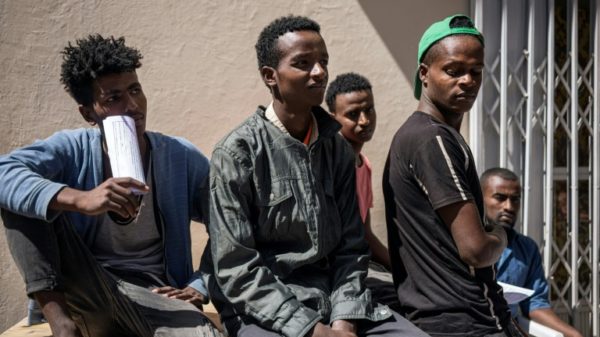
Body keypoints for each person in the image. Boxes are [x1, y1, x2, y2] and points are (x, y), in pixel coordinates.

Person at [204, 15, 429, 337]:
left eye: (323, 61)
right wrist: (313, 330)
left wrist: (344, 320)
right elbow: (236, 268)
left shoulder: (335, 148)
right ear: (270, 76)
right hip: (265, 309)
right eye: (303, 63)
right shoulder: (237, 153)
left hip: (334, 300)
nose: (320, 72)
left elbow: (351, 247)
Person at [0, 35, 221, 337]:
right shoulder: (72, 148)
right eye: (113, 98)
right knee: (21, 196)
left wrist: (199, 284)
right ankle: (62, 326)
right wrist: (79, 199)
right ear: (88, 113)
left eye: (135, 90)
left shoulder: (179, 156)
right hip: (86, 288)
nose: (132, 106)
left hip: (155, 292)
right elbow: (4, 172)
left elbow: (229, 225)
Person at [382, 14, 522, 336]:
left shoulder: (429, 135)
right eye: (453, 70)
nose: (467, 80)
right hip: (465, 321)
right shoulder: (432, 139)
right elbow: (475, 249)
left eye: (475, 71)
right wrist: (501, 234)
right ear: (424, 74)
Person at [325, 72, 398, 311]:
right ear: (333, 118)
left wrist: (397, 265)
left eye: (370, 110)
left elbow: (364, 233)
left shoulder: (363, 165)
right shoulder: (329, 165)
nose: (365, 120)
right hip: (334, 275)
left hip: (358, 265)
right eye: (353, 115)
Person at [481, 168, 583, 337]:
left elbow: (536, 304)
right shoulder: (466, 243)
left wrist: (573, 334)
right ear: (481, 198)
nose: (509, 207)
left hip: (508, 328)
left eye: (515, 200)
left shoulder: (527, 249)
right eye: (500, 198)